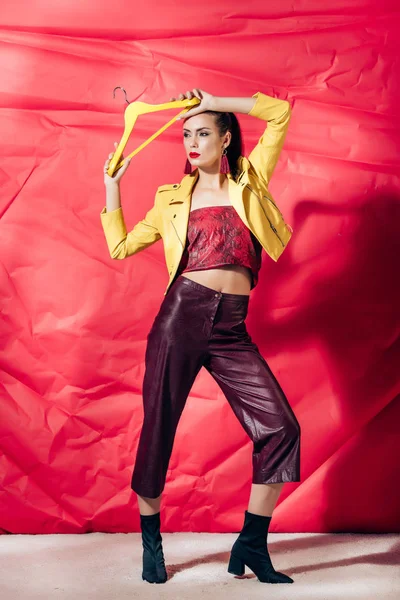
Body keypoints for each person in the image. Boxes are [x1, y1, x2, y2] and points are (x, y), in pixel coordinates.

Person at [100, 88, 300, 585]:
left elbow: (280, 113)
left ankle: (251, 544)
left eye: (202, 131)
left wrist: (214, 97)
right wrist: (112, 187)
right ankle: (151, 543)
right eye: (186, 134)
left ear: (225, 138)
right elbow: (122, 246)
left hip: (232, 325)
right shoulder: (171, 199)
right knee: (159, 429)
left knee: (280, 429)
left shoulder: (249, 181)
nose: (191, 141)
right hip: (181, 317)